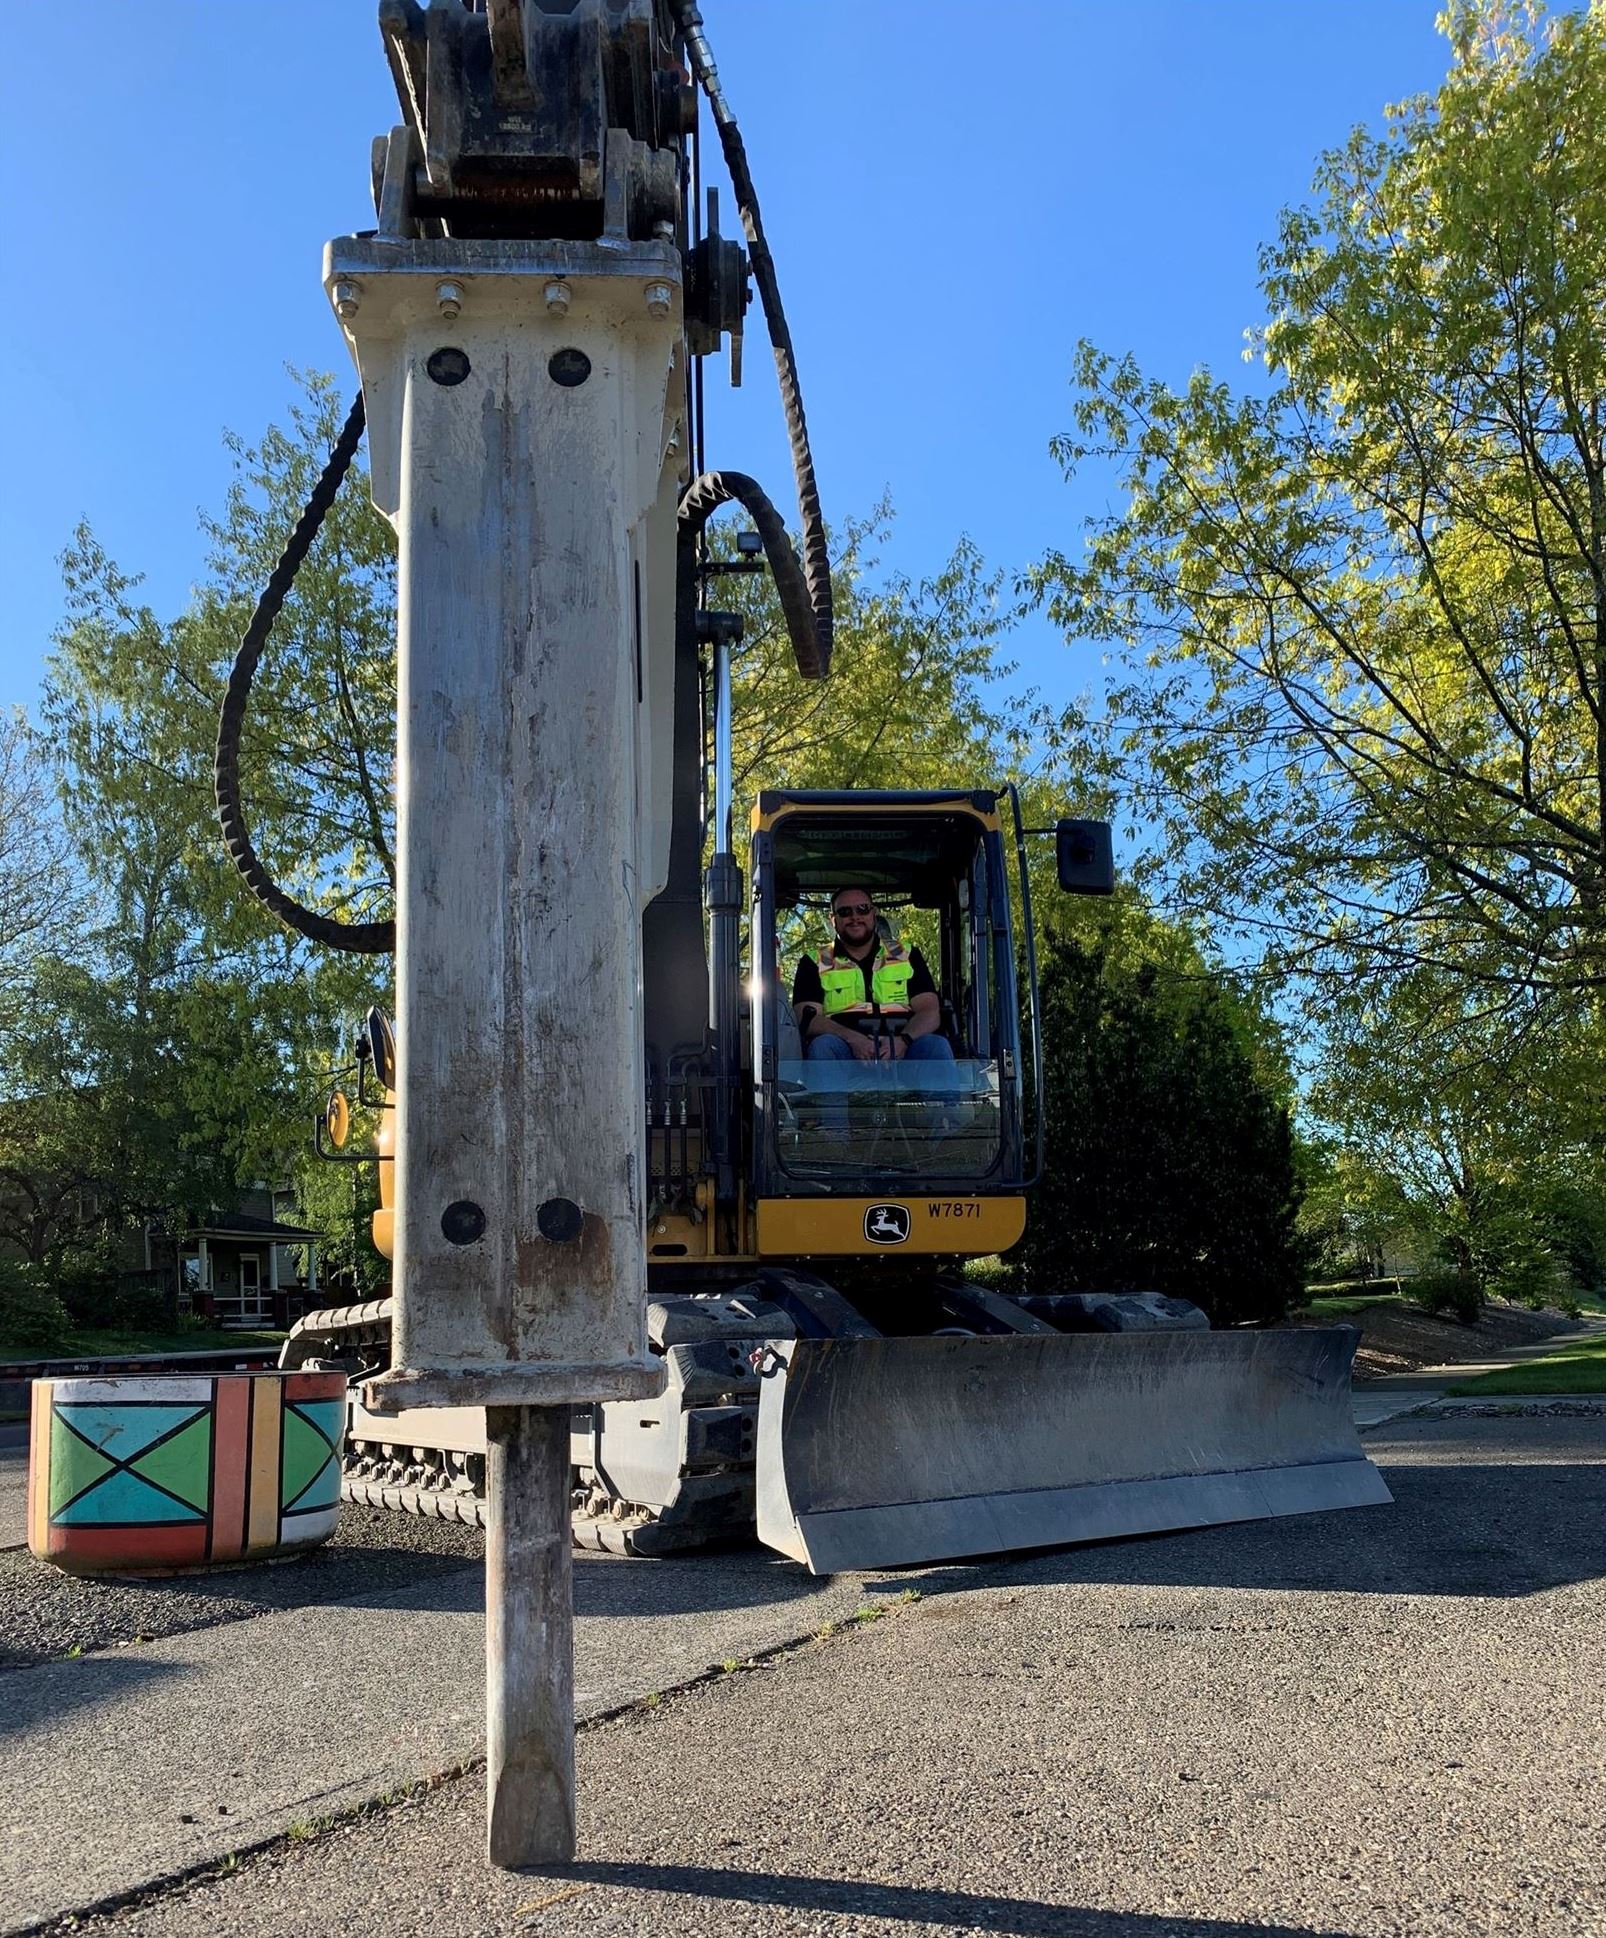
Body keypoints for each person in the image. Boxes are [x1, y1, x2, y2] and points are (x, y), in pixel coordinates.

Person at [791, 888, 956, 1088]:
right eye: (845, 912)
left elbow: (930, 1011)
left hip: (905, 1051)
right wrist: (853, 1039)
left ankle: (946, 1118)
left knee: (935, 1046)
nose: (855, 917)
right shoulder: (815, 961)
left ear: (873, 913)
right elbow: (806, 1019)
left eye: (862, 909)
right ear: (833, 919)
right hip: (845, 1052)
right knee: (823, 1047)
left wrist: (902, 1041)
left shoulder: (905, 954)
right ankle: (831, 1120)